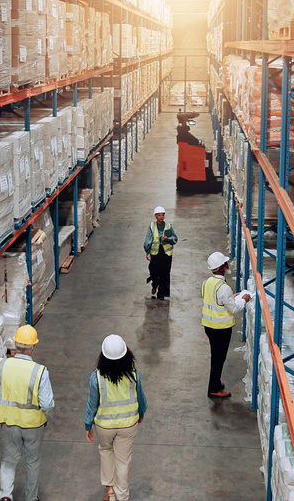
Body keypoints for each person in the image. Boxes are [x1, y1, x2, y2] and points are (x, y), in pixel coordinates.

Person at [0, 325, 54, 501]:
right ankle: (31, 498)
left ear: (15, 344)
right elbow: (47, 405)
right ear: (34, 347)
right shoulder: (40, 372)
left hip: (9, 424)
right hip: (33, 426)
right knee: (33, 462)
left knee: (9, 460)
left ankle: (5, 497)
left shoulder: (2, 364)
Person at [84, 335, 147, 501]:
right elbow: (140, 398)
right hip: (128, 424)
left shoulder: (96, 377)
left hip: (104, 426)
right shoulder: (133, 375)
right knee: (123, 461)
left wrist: (88, 424)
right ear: (127, 354)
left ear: (103, 356)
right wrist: (140, 414)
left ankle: (110, 490)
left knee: (106, 452)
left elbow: (92, 403)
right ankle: (122, 496)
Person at [201, 251, 254, 398]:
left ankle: (216, 382)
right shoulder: (224, 287)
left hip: (209, 326)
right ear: (222, 267)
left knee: (216, 356)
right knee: (218, 358)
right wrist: (244, 299)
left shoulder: (207, 283)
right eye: (225, 263)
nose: (227, 264)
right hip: (221, 329)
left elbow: (216, 300)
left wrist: (233, 296)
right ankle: (214, 388)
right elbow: (235, 308)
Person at [143, 206, 177, 300]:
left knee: (165, 273)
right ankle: (154, 284)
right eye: (159, 215)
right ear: (155, 216)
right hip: (155, 254)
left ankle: (161, 294)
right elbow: (148, 240)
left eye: (162, 215)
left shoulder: (169, 226)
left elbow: (175, 239)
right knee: (153, 271)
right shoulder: (152, 226)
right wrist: (148, 252)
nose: (161, 217)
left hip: (166, 254)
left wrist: (168, 239)